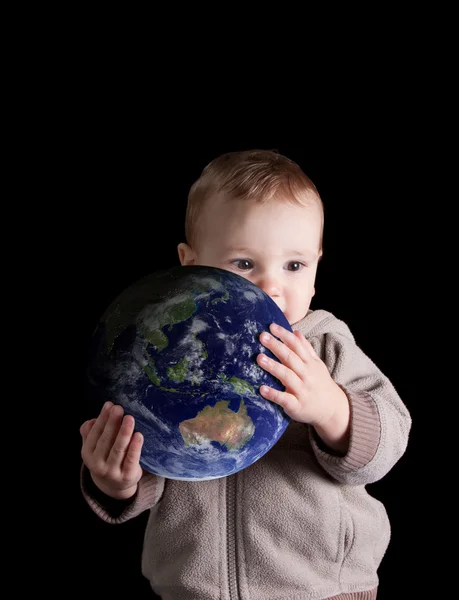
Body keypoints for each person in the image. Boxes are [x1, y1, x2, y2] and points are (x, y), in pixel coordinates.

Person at [79, 149, 412, 600]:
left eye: (294, 266)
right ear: (190, 263)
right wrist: (119, 484)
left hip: (319, 589)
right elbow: (162, 453)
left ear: (316, 264)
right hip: (193, 590)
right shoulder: (171, 348)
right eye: (243, 264)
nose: (271, 286)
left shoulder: (323, 345)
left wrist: (333, 408)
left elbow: (390, 440)